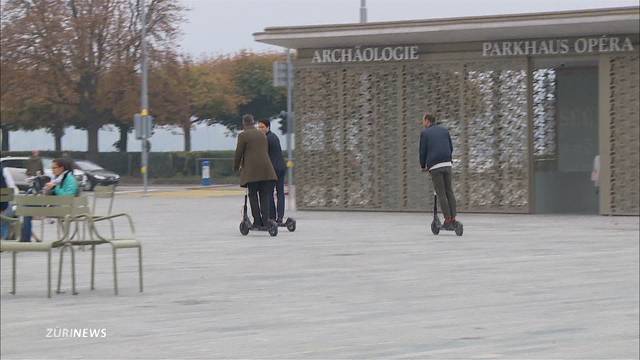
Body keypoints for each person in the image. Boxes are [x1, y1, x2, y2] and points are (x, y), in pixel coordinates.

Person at [234, 114, 277, 229]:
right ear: (253, 122)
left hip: (252, 172)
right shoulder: (262, 134)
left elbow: (238, 153)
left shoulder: (243, 135)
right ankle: (266, 221)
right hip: (266, 170)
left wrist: (235, 167)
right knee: (264, 195)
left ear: (244, 123)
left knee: (253, 195)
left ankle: (257, 222)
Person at [419, 113, 459, 229]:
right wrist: (447, 159)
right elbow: (451, 147)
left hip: (435, 166)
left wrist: (423, 166)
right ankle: (454, 218)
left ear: (427, 121)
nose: (423, 123)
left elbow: (422, 151)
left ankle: (447, 219)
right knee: (449, 191)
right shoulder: (444, 131)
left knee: (441, 193)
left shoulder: (425, 133)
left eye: (423, 121)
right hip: (447, 163)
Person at [258, 119, 286, 225]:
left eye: (262, 127)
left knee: (268, 193)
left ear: (268, 127)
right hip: (281, 168)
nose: (260, 129)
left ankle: (272, 217)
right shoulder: (274, 136)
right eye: (259, 127)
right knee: (280, 193)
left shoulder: (266, 139)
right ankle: (280, 218)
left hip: (273, 169)